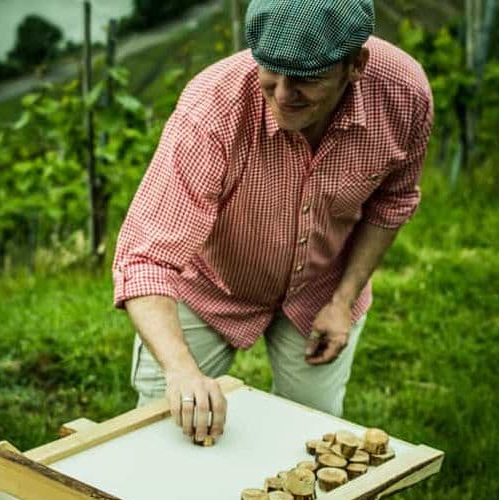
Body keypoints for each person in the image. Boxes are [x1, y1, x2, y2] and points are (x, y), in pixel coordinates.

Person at [112, 0, 433, 444]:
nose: (282, 94)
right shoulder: (212, 109)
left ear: (355, 64)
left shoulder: (404, 95)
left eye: (306, 78)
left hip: (323, 287)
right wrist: (181, 371)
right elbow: (146, 259)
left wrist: (344, 299)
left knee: (313, 437)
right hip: (208, 285)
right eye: (271, 71)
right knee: (164, 429)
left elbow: (392, 202)